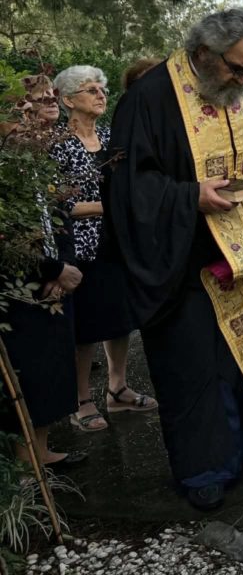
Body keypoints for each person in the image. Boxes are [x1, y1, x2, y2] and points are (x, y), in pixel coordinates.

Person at [106, 8, 243, 511]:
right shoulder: (149, 98)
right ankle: (205, 468)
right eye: (235, 69)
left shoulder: (242, 94)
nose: (242, 80)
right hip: (185, 261)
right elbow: (130, 189)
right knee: (197, 370)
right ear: (201, 54)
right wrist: (190, 196)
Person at [51, 66, 157, 435]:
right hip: (80, 248)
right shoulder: (56, 144)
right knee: (86, 328)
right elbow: (55, 205)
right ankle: (81, 401)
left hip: (117, 243)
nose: (100, 94)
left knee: (119, 319)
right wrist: (108, 207)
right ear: (68, 101)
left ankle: (117, 388)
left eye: (102, 89)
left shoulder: (112, 138)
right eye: (90, 89)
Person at [0, 76, 84, 468]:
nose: (50, 104)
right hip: (21, 287)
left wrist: (63, 269)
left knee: (53, 367)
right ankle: (23, 462)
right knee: (27, 372)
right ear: (19, 108)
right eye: (40, 99)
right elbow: (9, 235)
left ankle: (42, 450)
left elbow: (60, 216)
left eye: (53, 97)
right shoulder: (7, 163)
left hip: (54, 282)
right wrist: (50, 270)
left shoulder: (41, 159)